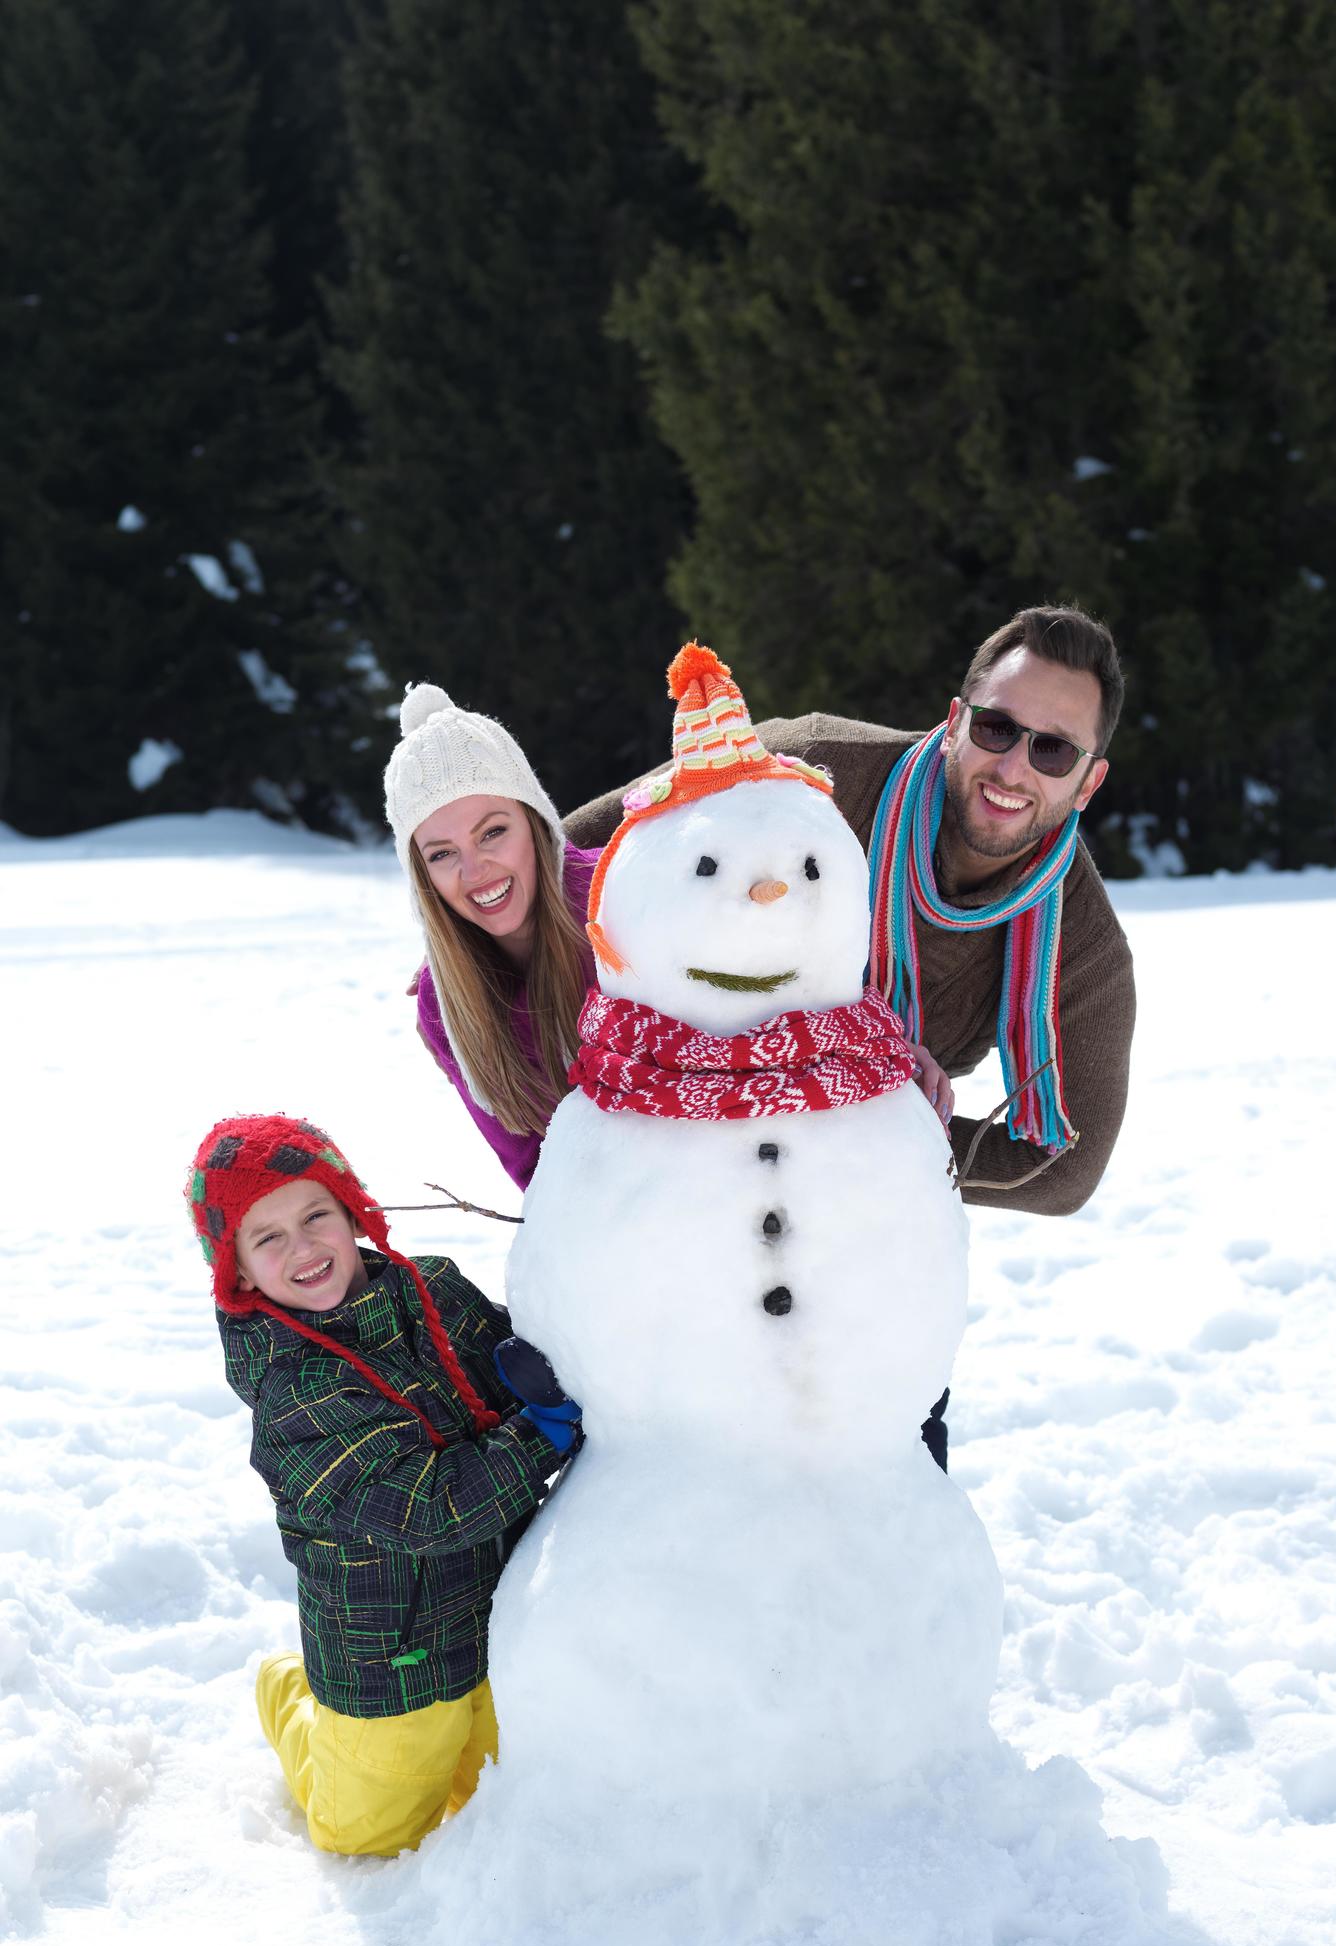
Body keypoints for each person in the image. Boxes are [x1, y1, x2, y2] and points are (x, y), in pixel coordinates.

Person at [566, 604, 1134, 1220]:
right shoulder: (810, 772)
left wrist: (877, 1117)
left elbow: (1064, 1168)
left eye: (1052, 751)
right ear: (953, 723)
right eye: (996, 727)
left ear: (1089, 783)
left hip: (833, 1207)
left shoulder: (1081, 948)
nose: (1013, 767)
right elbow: (566, 857)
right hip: (650, 1137)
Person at [186, 1112, 580, 1856]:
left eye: (316, 1215)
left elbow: (510, 1361)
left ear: (353, 1212)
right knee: (368, 1834)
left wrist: (554, 1370)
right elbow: (432, 1509)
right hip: (393, 1665)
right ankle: (287, 1693)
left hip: (501, 1618)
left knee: (507, 1784)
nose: (303, 1247)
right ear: (236, 1269)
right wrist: (544, 1429)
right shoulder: (295, 1397)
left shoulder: (433, 1290)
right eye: (267, 1237)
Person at [383, 683, 598, 1191]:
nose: (474, 870)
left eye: (492, 832)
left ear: (536, 823)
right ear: (423, 878)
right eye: (441, 854)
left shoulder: (623, 900)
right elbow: (538, 1175)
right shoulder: (446, 1006)